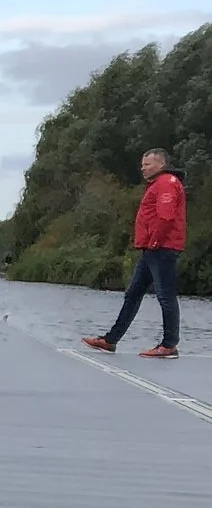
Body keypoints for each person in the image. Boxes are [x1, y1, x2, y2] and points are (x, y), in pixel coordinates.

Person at [84, 149, 187, 358]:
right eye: (142, 164)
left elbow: (166, 217)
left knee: (165, 295)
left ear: (161, 164)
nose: (143, 168)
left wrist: (155, 241)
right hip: (151, 249)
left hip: (162, 248)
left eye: (147, 164)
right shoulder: (157, 184)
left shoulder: (167, 183)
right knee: (133, 294)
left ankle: (169, 345)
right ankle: (110, 340)